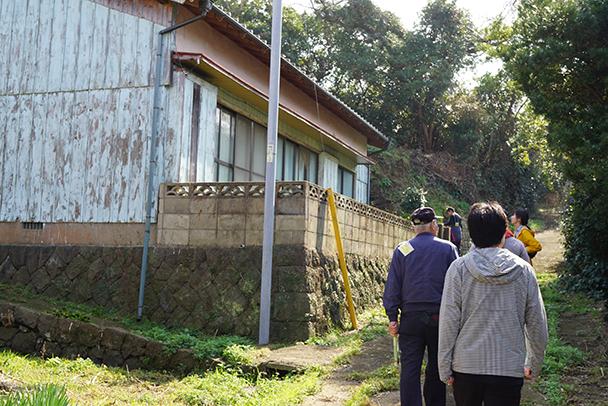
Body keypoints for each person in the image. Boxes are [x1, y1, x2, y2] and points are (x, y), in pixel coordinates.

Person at [438, 202, 548, 406]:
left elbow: (448, 322)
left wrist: (444, 367)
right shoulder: (524, 271)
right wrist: (534, 363)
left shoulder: (458, 269)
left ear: (471, 234)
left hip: (466, 367)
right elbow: (537, 322)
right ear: (503, 233)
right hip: (508, 367)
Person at [383, 207, 459, 406]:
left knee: (409, 368)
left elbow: (393, 286)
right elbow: (457, 287)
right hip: (439, 318)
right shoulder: (448, 248)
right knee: (436, 365)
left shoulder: (402, 249)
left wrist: (392, 317)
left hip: (410, 318)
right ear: (434, 225)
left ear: (413, 227)